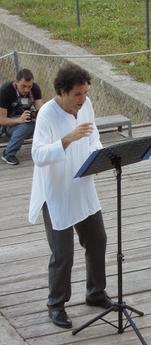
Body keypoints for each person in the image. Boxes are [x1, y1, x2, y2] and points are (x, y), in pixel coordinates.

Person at [28, 63, 112, 329]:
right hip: (57, 193)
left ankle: (95, 293)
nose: (83, 99)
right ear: (62, 92)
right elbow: (38, 155)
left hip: (83, 186)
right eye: (77, 94)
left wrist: (99, 157)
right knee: (63, 254)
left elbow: (94, 136)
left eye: (85, 93)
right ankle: (56, 304)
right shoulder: (46, 115)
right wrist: (67, 139)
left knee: (98, 241)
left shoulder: (85, 106)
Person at [0, 68, 43, 165]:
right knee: (26, 126)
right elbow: (2, 120)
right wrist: (19, 120)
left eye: (29, 86)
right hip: (9, 125)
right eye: (23, 86)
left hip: (27, 121)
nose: (27, 89)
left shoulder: (35, 88)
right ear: (16, 82)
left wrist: (37, 115)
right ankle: (8, 153)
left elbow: (41, 110)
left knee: (47, 122)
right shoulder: (5, 91)